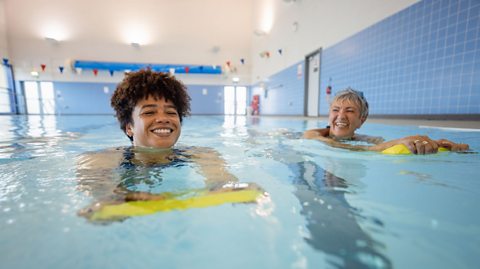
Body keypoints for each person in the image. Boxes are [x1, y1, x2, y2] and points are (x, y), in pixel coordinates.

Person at [77, 69, 267, 222]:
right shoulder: (104, 158)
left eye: (171, 112)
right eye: (149, 112)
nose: (163, 119)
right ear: (129, 128)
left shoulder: (201, 154)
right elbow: (99, 187)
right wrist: (117, 197)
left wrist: (227, 186)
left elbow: (221, 180)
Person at [303, 88, 469, 154]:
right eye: (335, 110)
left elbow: (391, 145)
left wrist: (437, 144)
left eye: (350, 110)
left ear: (362, 120)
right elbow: (336, 146)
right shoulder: (312, 134)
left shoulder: (367, 140)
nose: (341, 115)